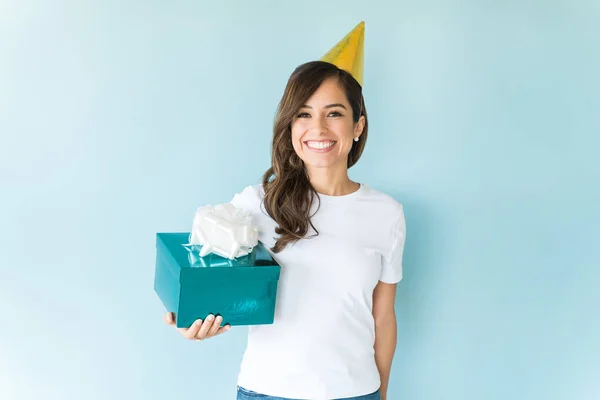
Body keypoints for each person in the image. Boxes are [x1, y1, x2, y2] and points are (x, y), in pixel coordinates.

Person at [163, 22, 406, 400]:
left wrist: (383, 394)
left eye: (335, 113)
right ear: (290, 126)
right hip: (268, 391)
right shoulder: (256, 203)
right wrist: (187, 320)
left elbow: (383, 317)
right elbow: (199, 272)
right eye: (304, 114)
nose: (318, 128)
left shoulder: (387, 214)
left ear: (358, 126)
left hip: (357, 392)